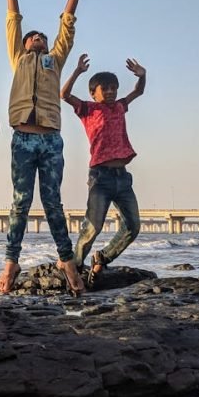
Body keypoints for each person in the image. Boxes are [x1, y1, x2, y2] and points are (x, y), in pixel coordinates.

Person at [0, 0, 88, 296]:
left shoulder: (55, 60)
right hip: (22, 138)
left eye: (42, 38)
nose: (37, 39)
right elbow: (12, 20)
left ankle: (67, 262)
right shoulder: (18, 58)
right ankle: (11, 261)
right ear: (23, 45)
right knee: (20, 203)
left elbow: (67, 23)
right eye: (31, 38)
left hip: (50, 141)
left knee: (53, 203)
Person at [61, 53, 146, 286]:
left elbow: (138, 92)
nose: (110, 92)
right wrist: (78, 71)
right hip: (100, 177)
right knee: (93, 227)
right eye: (105, 89)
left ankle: (102, 258)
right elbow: (64, 95)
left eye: (114, 89)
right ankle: (75, 266)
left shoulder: (119, 107)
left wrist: (142, 76)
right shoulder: (87, 109)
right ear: (93, 93)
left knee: (133, 226)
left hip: (123, 179)